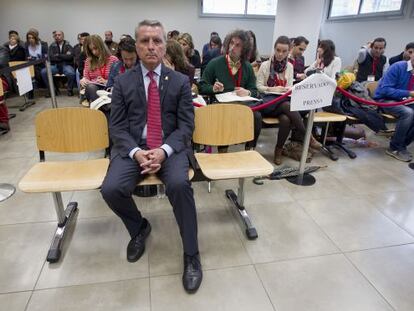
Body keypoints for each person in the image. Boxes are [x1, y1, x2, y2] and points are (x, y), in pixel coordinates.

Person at [100, 20, 202, 293]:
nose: (151, 46)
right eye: (144, 41)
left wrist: (164, 150)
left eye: (156, 40)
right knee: (110, 189)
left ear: (165, 44)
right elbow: (117, 127)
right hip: (133, 147)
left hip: (169, 147)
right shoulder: (122, 82)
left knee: (180, 186)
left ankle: (191, 254)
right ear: (136, 45)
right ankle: (139, 227)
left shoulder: (180, 82)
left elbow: (186, 126)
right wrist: (136, 152)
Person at [257, 36, 320, 165]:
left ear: (288, 51)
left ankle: (278, 150)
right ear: (274, 49)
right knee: (287, 105)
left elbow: (290, 86)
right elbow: (258, 87)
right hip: (268, 102)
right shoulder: (265, 65)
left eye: (284, 51)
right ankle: (308, 137)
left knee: (286, 119)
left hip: (283, 102)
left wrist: (286, 90)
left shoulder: (290, 67)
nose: (280, 54)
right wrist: (272, 88)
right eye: (278, 50)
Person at [198, 29, 262, 149]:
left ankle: (249, 149)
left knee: (257, 116)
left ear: (244, 49)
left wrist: (247, 91)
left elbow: (254, 90)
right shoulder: (215, 63)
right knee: (226, 116)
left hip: (242, 105)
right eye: (231, 43)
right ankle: (223, 152)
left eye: (238, 45)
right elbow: (201, 85)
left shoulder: (247, 66)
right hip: (221, 105)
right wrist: (213, 88)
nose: (232, 47)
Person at [373, 53, 414, 162]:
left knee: (409, 112)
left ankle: (402, 145)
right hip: (385, 99)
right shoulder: (398, 67)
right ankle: (395, 148)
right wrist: (409, 93)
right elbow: (385, 90)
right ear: (412, 55)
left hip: (404, 100)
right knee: (408, 113)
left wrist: (408, 95)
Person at [80, 35, 118, 103]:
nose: (94, 52)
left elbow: (119, 80)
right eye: (91, 50)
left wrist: (107, 82)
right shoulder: (88, 61)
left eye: (96, 48)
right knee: (91, 87)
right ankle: (104, 108)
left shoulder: (113, 60)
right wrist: (83, 80)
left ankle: (103, 108)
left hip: (108, 89)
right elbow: (86, 78)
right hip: (93, 89)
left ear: (101, 47)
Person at [40, 30, 76, 96]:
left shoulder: (68, 45)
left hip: (66, 65)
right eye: (56, 35)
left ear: (63, 36)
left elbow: (70, 57)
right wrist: (64, 56)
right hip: (55, 66)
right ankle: (52, 90)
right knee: (44, 72)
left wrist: (58, 55)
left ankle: (70, 90)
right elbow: (51, 57)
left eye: (59, 35)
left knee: (71, 73)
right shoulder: (51, 46)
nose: (57, 36)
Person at [25, 28, 48, 101]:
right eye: (29, 38)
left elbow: (45, 58)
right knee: (28, 72)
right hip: (31, 65)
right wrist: (33, 59)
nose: (31, 39)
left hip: (42, 65)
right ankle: (30, 92)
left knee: (38, 71)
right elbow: (27, 58)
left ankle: (47, 89)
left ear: (36, 38)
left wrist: (33, 59)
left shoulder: (43, 44)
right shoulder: (26, 45)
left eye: (32, 38)